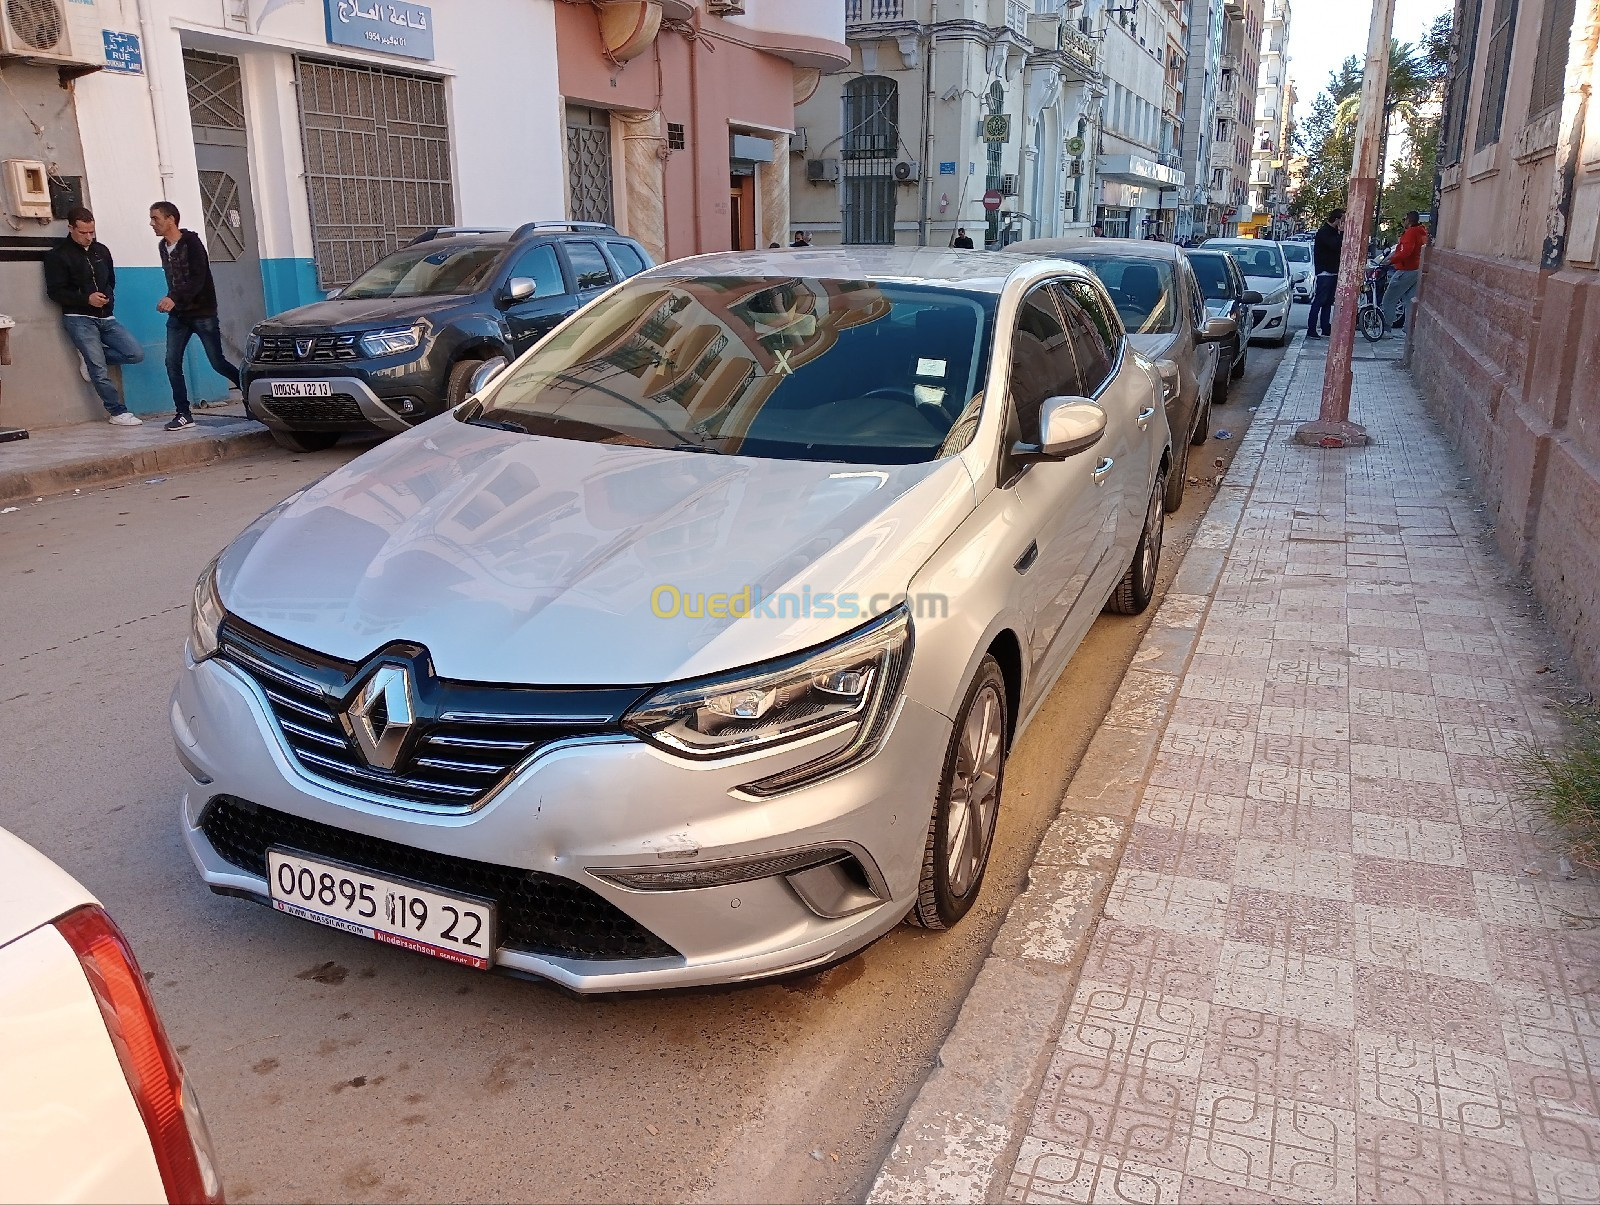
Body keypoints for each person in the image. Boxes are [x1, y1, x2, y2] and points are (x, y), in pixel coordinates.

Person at [43, 207, 146, 426]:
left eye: (92, 232)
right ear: (71, 228)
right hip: (78, 317)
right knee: (98, 370)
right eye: (83, 232)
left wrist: (108, 299)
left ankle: (90, 357)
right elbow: (55, 292)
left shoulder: (101, 250)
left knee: (135, 354)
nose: (89, 237)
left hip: (106, 317)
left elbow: (111, 280)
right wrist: (86, 299)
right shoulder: (58, 255)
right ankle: (117, 412)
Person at [150, 201, 242, 432]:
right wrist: (173, 301)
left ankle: (251, 396)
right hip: (179, 316)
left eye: (156, 219)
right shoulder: (163, 246)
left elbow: (198, 279)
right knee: (172, 362)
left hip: (202, 312)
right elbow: (175, 280)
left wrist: (173, 298)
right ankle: (183, 414)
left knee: (217, 362)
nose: (152, 224)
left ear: (171, 219)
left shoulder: (192, 242)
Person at [1381, 211, 1428, 331]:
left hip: (1406, 269)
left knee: (1389, 299)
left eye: (1404, 219)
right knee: (1409, 300)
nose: (1403, 222)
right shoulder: (1422, 232)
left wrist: (1391, 261)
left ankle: (1386, 328)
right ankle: (1409, 329)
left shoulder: (1411, 233)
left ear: (1408, 220)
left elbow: (1406, 251)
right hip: (1417, 268)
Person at [1307, 207, 1344, 340]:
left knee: (1328, 302)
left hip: (1333, 271)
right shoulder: (1324, 232)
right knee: (1319, 301)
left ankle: (1325, 327)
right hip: (1325, 272)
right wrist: (1341, 232)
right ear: (1337, 220)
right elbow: (1335, 245)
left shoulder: (1333, 232)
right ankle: (1311, 329)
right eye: (1343, 220)